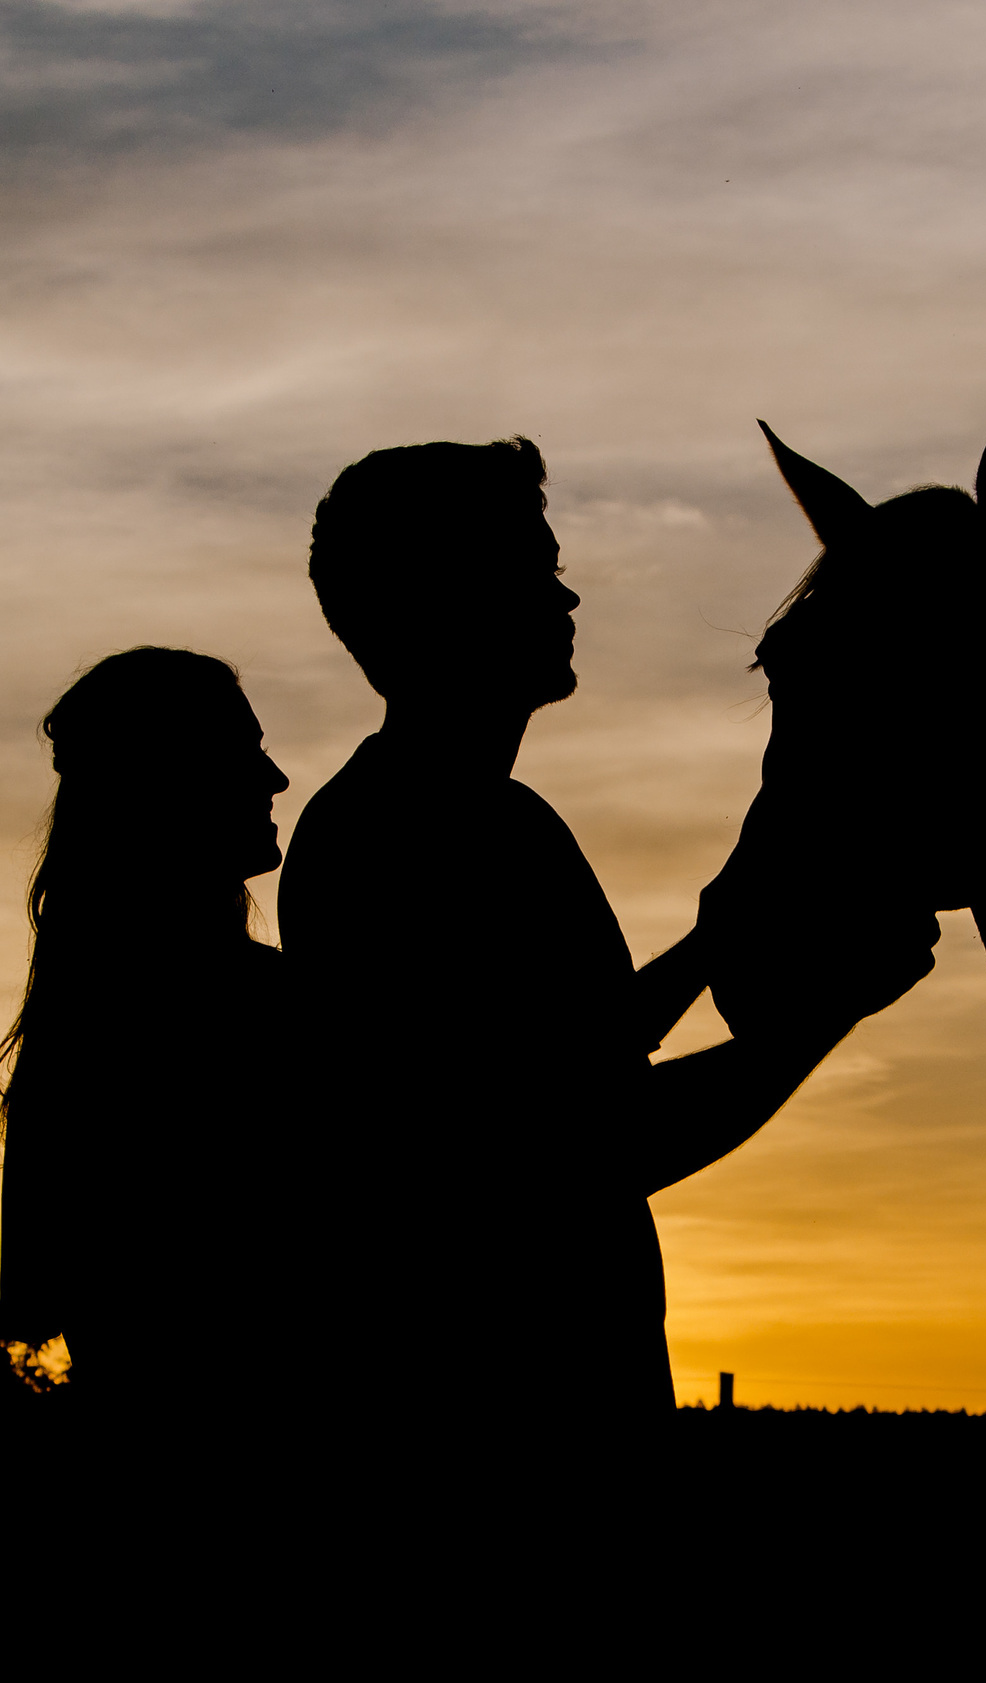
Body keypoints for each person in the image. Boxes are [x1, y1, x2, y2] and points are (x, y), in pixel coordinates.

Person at [279, 435, 938, 1437]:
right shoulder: (394, 842)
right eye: (535, 571)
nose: (565, 600)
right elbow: (588, 1143)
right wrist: (824, 1017)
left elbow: (569, 1051)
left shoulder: (493, 820)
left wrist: (708, 946)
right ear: (446, 601)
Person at [0, 647, 292, 1429]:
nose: (276, 780)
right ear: (168, 783)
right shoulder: (254, 1010)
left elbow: (30, 1290)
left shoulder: (78, 1022)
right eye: (245, 754)